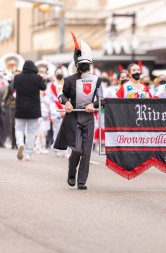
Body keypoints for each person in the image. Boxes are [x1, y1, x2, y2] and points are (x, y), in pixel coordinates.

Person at [53, 32, 102, 190]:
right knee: (77, 150)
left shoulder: (97, 80)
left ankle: (82, 181)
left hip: (88, 118)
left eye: (87, 64)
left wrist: (93, 105)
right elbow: (62, 96)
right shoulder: (69, 80)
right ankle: (71, 171)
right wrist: (66, 102)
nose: (84, 67)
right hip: (73, 117)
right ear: (77, 65)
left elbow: (103, 100)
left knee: (87, 152)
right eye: (81, 64)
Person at [12, 60, 46, 160]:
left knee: (18, 129)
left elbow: (13, 87)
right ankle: (28, 154)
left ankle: (20, 144)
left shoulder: (17, 77)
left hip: (20, 108)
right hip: (33, 109)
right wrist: (41, 78)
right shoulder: (38, 78)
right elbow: (44, 88)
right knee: (31, 131)